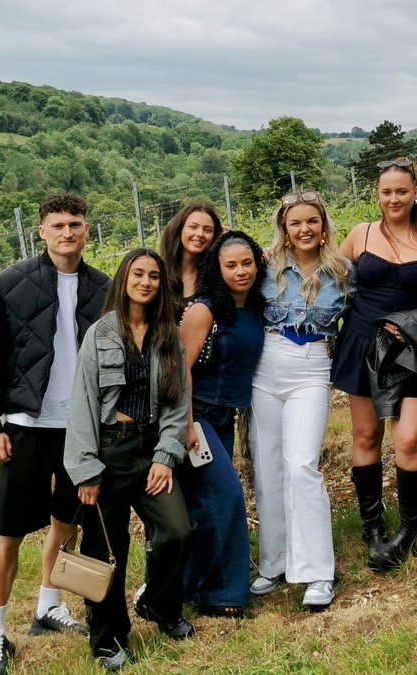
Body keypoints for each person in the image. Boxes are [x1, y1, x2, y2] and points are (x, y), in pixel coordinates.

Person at [0, 193, 109, 675]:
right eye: (58, 225)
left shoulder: (103, 289)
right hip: (26, 427)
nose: (68, 232)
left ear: (87, 229)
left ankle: (49, 606)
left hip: (81, 429)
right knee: (7, 531)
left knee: (67, 521)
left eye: (76, 223)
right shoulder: (9, 285)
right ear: (41, 232)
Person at [64, 249, 195, 671]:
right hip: (110, 448)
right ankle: (107, 640)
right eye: (138, 274)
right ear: (124, 279)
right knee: (106, 548)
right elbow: (82, 404)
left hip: (152, 446)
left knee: (176, 530)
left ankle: (158, 606)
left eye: (154, 276)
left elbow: (177, 402)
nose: (146, 282)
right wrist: (85, 469)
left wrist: (166, 456)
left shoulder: (167, 333)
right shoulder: (100, 334)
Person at [334, 158, 417, 572]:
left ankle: (408, 531)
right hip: (361, 344)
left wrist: (415, 326)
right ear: (377, 195)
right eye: (386, 192)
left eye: (401, 191)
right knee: (366, 435)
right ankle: (372, 527)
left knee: (408, 440)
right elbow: (325, 281)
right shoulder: (359, 236)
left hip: (411, 353)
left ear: (415, 193)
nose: (393, 199)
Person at [247, 191, 350, 610]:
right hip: (266, 364)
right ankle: (274, 563)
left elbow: (362, 316)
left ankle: (317, 571)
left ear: (323, 226)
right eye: (295, 223)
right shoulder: (266, 266)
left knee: (302, 464)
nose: (304, 229)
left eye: (312, 221)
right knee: (268, 464)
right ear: (285, 230)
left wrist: (341, 347)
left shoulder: (343, 271)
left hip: (311, 366)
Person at [178, 230, 266, 617]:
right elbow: (179, 369)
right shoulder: (204, 310)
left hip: (225, 414)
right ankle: (225, 595)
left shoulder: (256, 305)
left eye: (247, 263)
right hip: (198, 416)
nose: (240, 271)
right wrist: (187, 424)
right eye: (231, 265)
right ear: (218, 269)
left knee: (203, 506)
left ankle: (188, 589)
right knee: (228, 496)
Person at [160, 202, 221, 309]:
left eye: (208, 230)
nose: (200, 234)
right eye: (193, 227)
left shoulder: (216, 276)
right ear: (179, 229)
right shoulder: (159, 273)